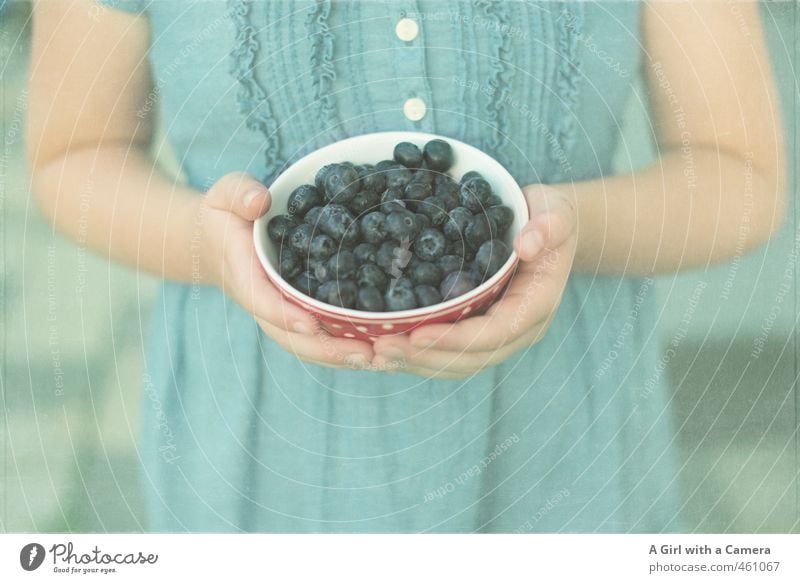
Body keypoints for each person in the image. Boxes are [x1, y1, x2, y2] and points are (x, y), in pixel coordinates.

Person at [28, 0, 784, 532]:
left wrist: (574, 228)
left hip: (559, 448)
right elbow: (74, 153)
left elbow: (740, 175)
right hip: (262, 445)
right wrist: (209, 243)